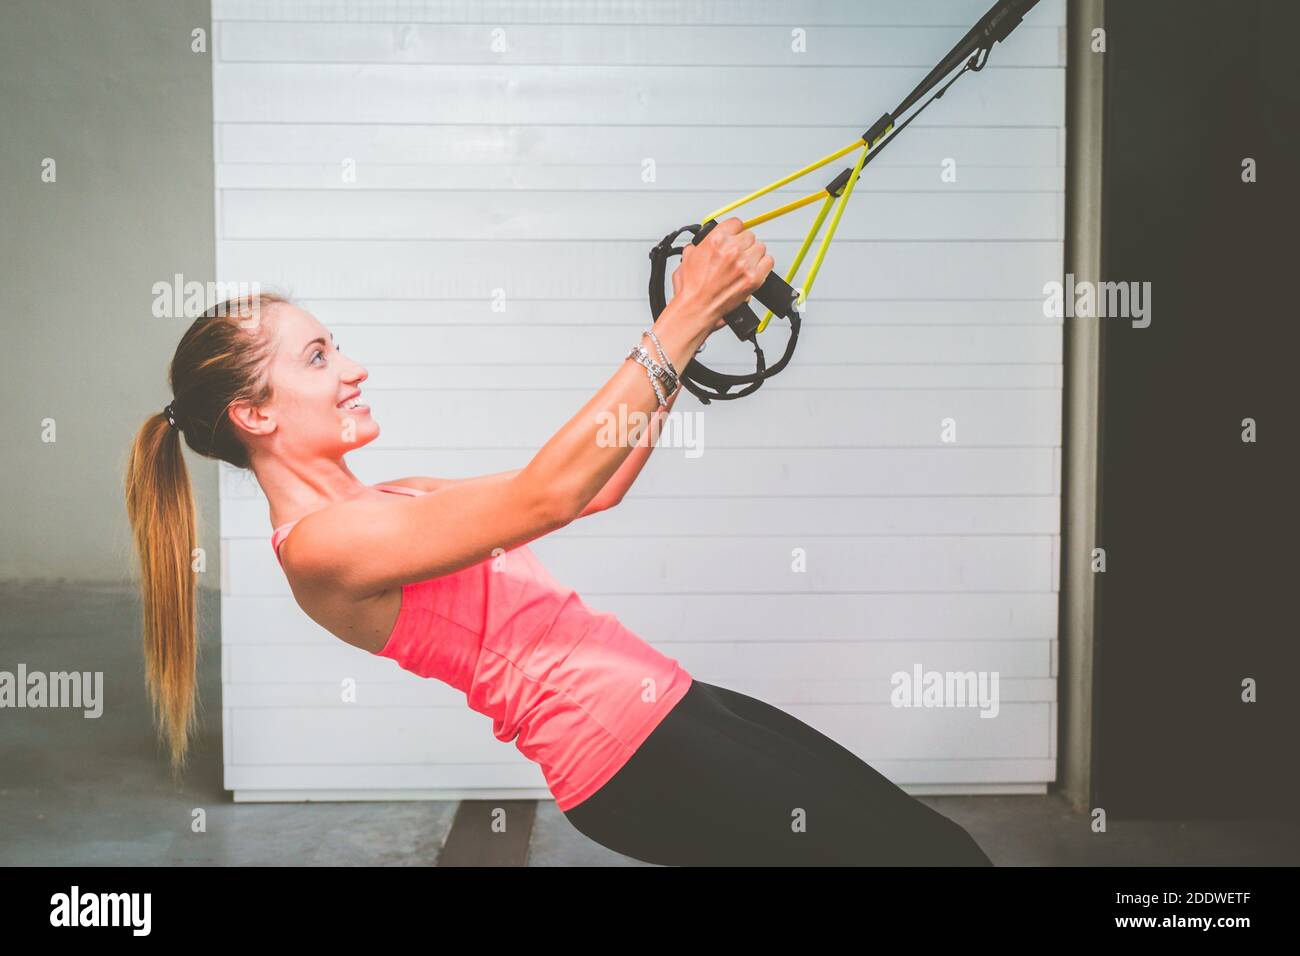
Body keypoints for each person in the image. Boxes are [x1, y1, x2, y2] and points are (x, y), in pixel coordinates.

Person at [123, 219, 991, 866]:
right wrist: (683, 316)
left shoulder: (399, 499)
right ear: (256, 414)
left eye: (337, 347)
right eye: (317, 357)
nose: (352, 369)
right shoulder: (323, 548)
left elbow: (592, 488)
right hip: (633, 756)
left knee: (927, 847)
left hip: (672, 708)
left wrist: (678, 341)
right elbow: (550, 491)